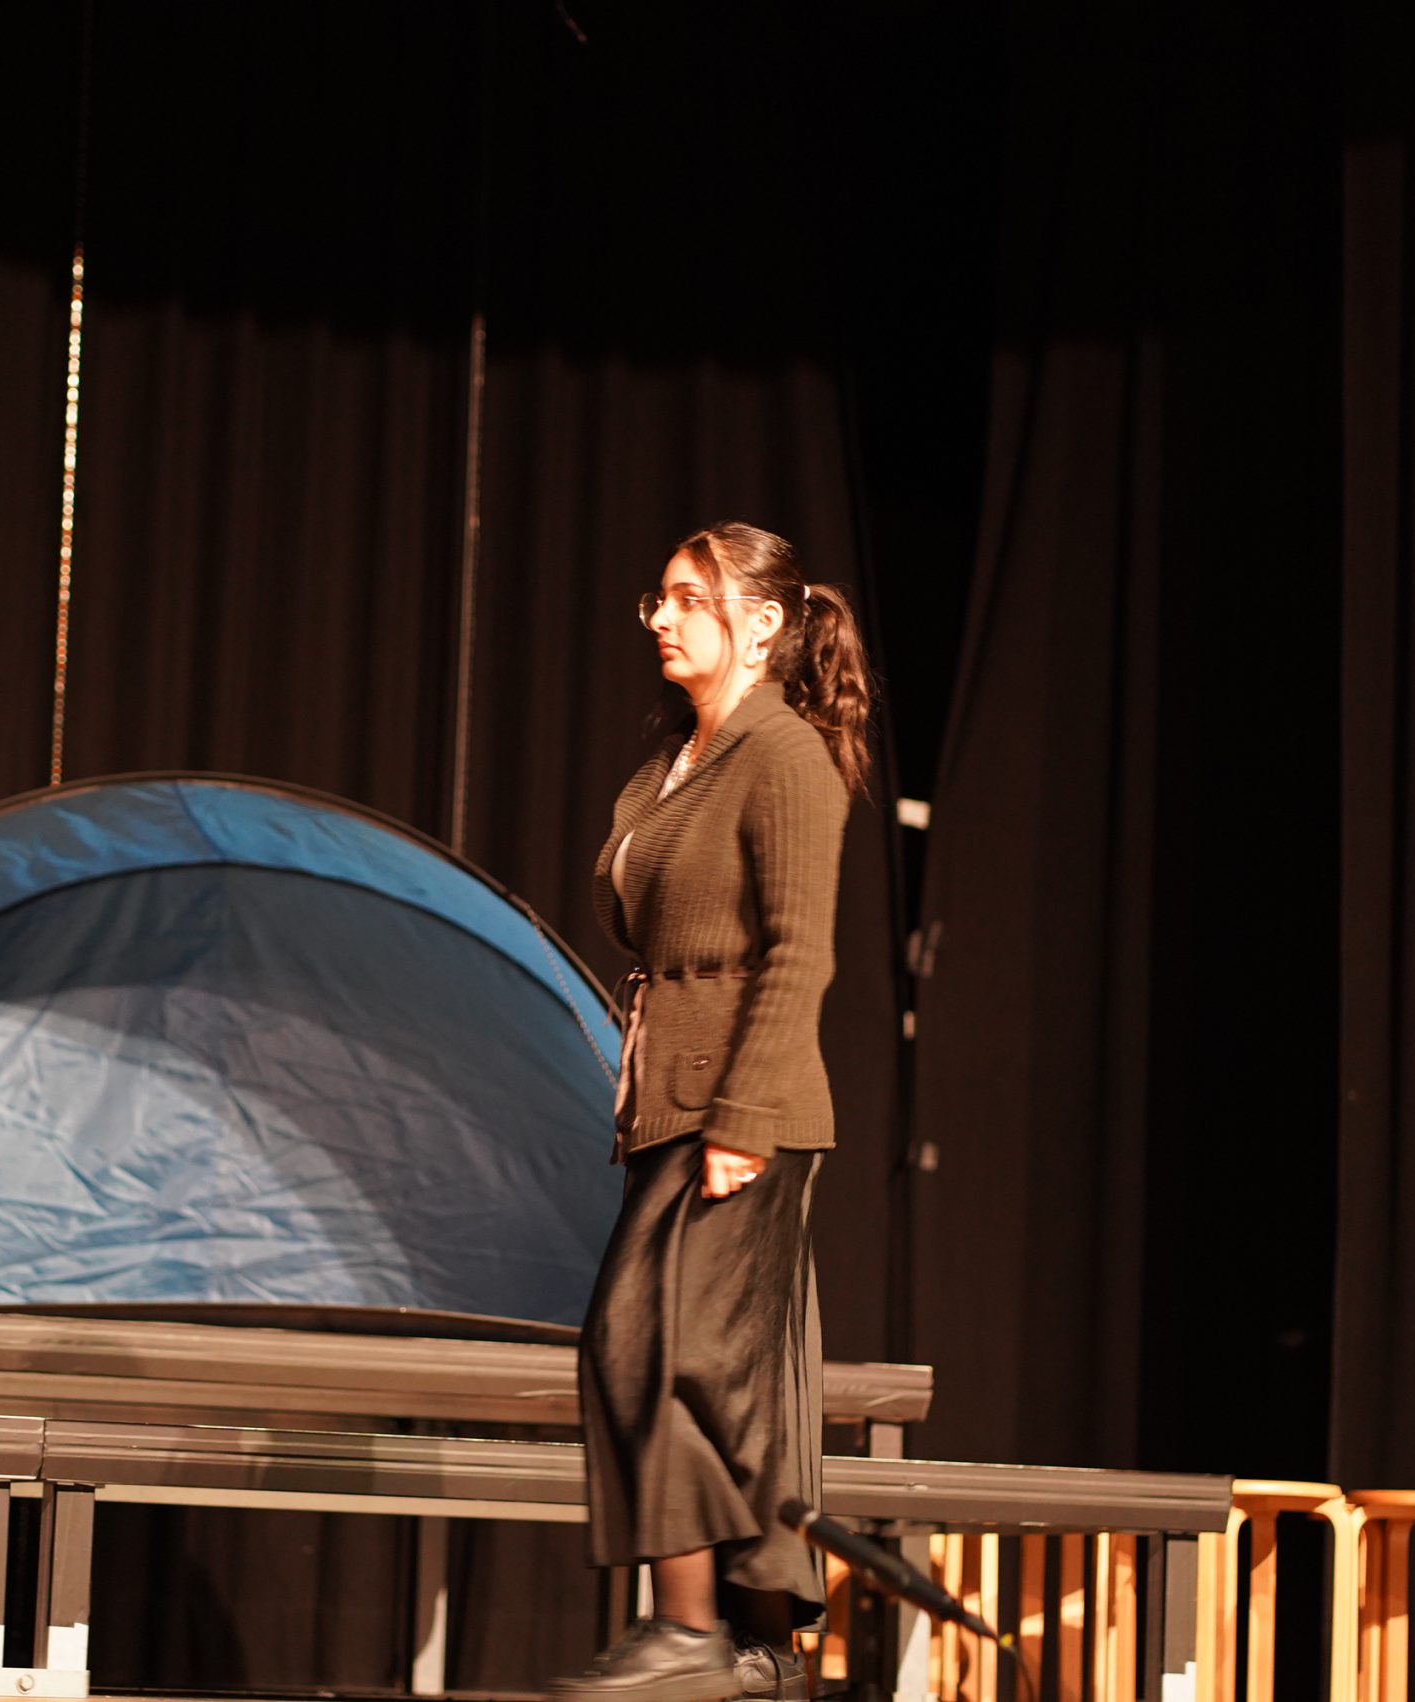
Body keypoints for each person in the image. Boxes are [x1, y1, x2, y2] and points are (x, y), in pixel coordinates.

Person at [553, 522, 874, 1702]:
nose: (661, 615)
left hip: (745, 1107)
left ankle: (691, 1633)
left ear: (762, 622)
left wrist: (741, 1116)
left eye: (690, 597)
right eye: (659, 596)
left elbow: (799, 954)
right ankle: (757, 1647)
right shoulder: (676, 762)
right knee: (699, 1371)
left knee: (660, 1349)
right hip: (670, 1101)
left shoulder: (782, 754)